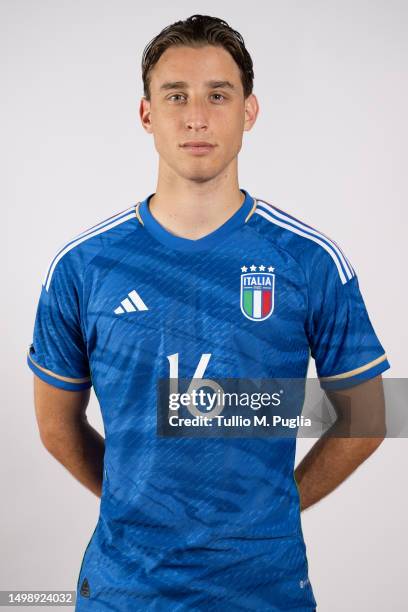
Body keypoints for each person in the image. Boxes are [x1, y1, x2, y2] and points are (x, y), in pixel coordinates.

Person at [27, 14, 390, 611]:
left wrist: (277, 503)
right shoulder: (83, 266)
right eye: (176, 96)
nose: (196, 116)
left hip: (263, 590)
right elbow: (54, 427)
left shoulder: (307, 260)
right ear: (147, 114)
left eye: (218, 95)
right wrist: (132, 502)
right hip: (125, 591)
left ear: (249, 111)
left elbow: (370, 414)